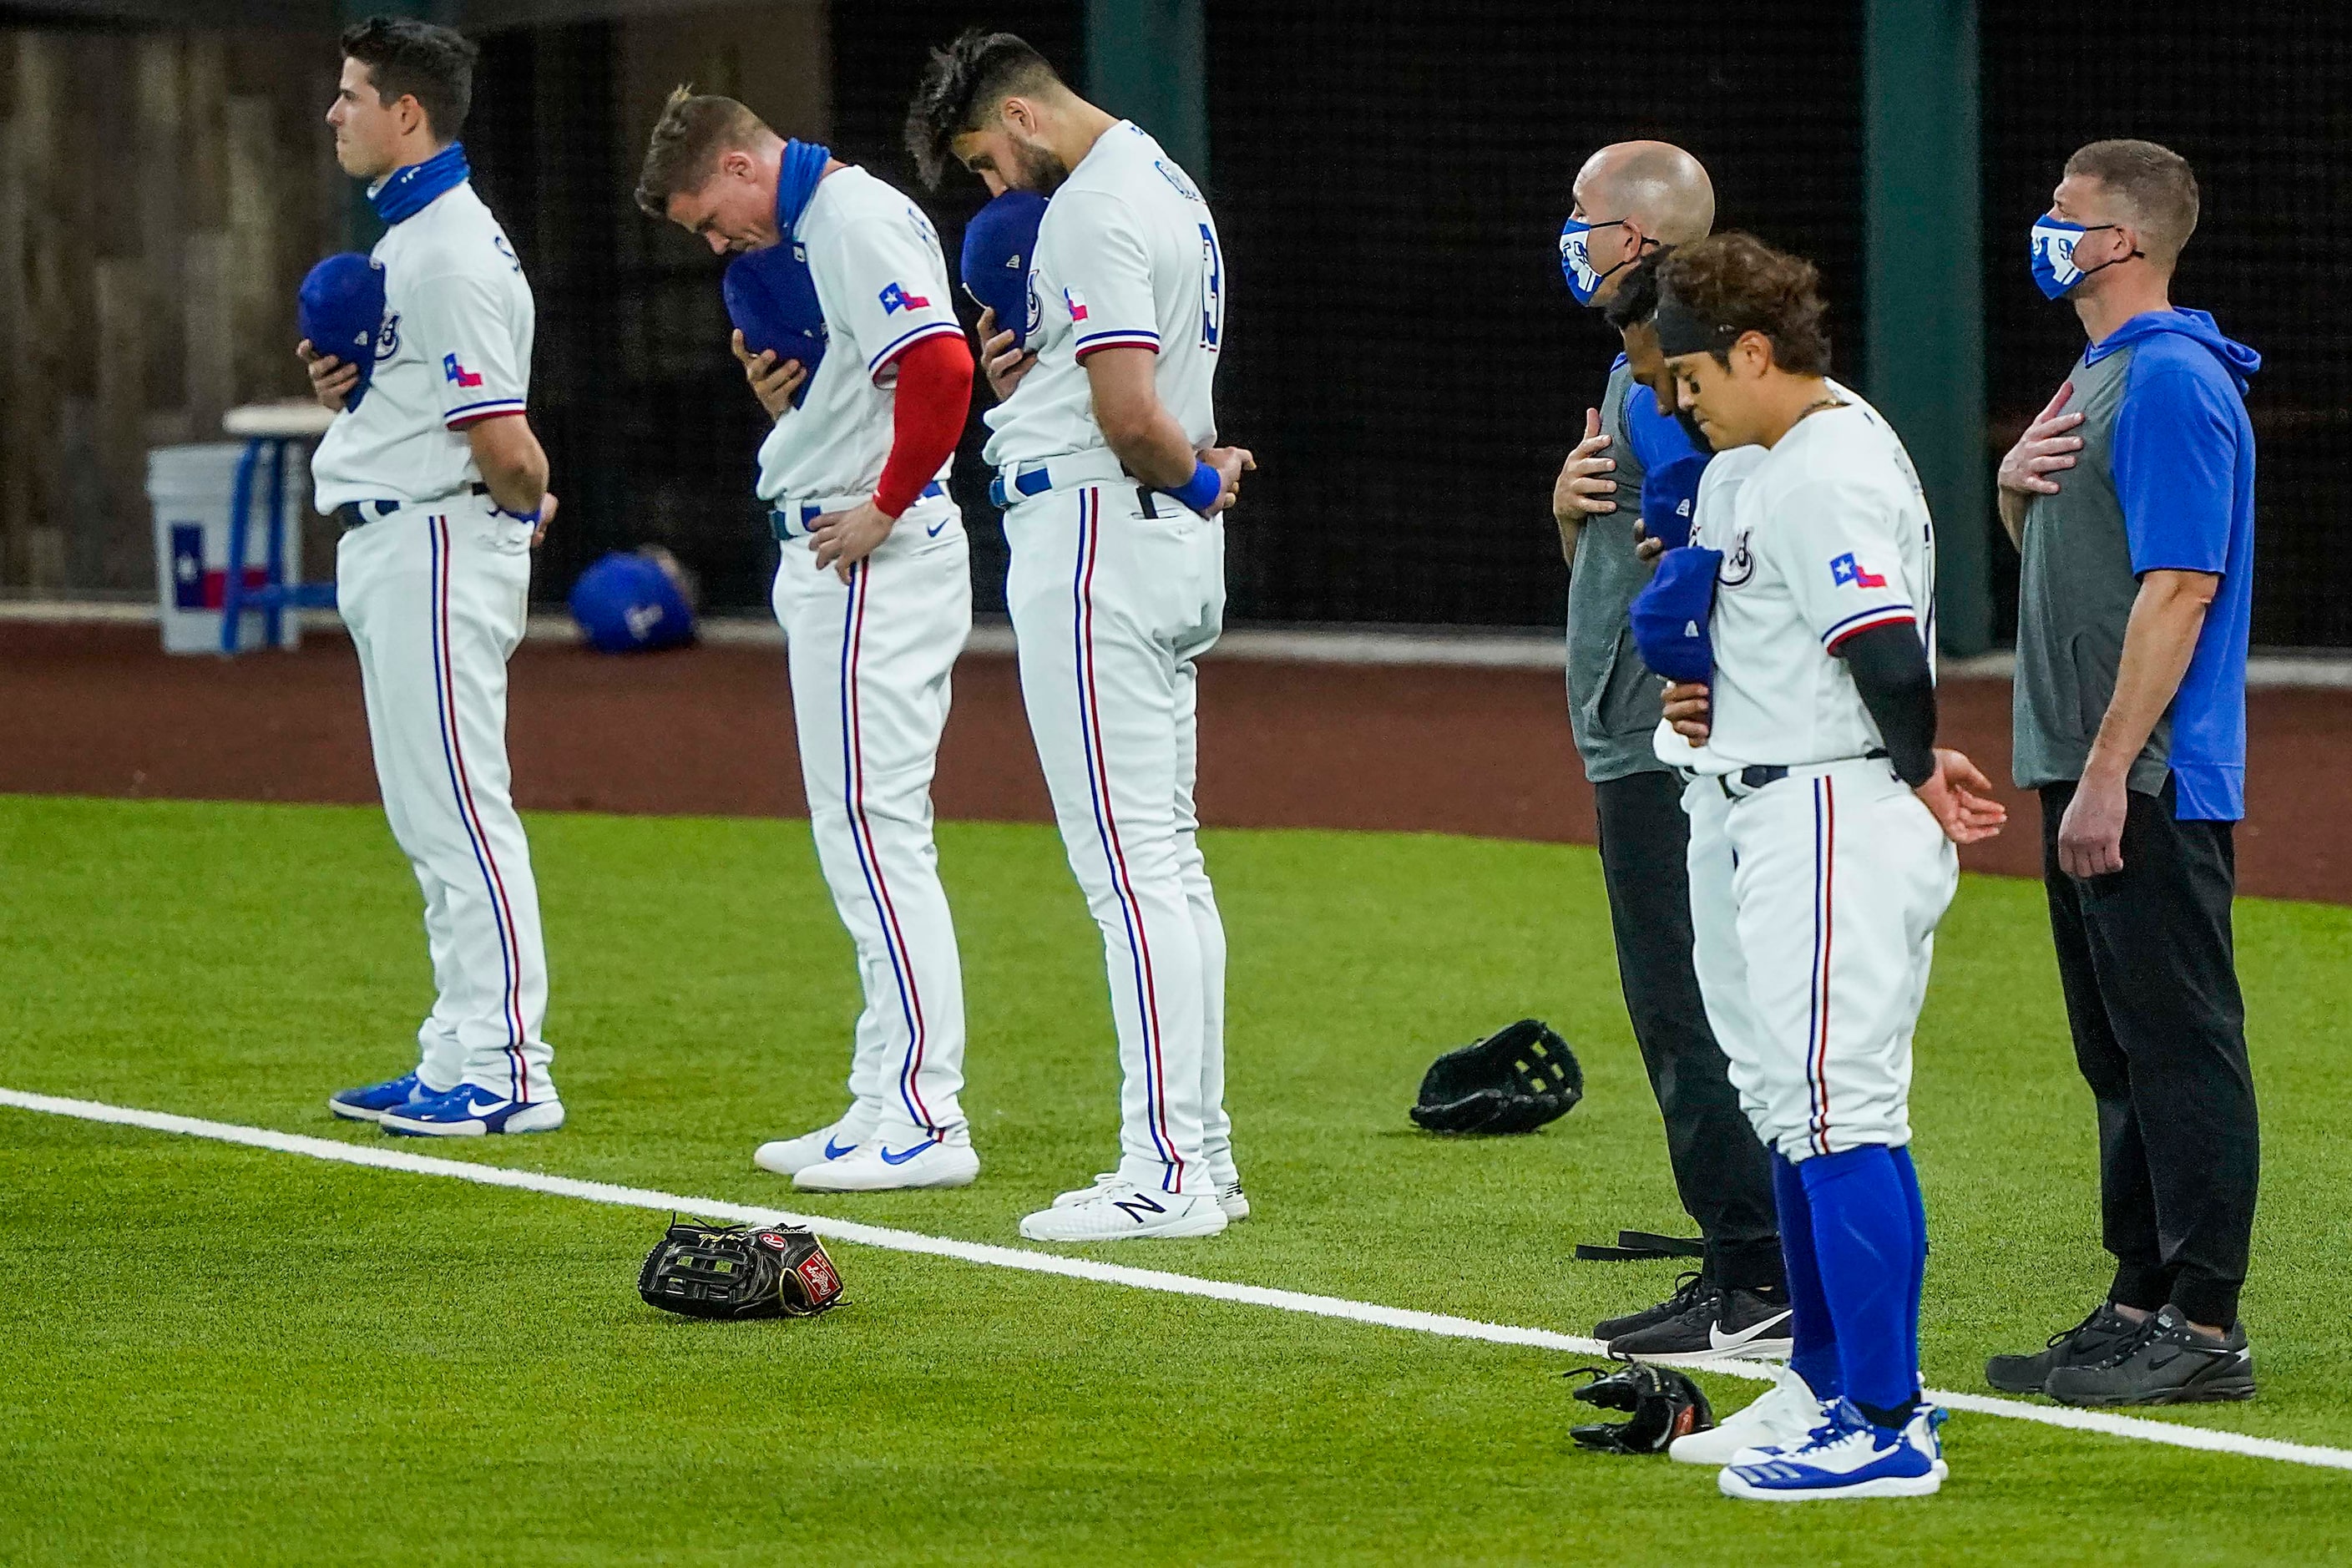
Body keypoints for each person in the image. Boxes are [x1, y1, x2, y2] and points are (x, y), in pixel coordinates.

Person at [1650, 233, 2006, 1500]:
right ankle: (1819, 1381)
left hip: (1828, 808)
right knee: (1795, 1111)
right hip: (1773, 798)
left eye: (1689, 373)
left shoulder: (1825, 468)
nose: (1676, 398)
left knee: (1838, 1110)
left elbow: (1882, 647)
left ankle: (1886, 1419)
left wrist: (1914, 767)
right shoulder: (1776, 457)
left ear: (1752, 352)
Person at [906, 29, 1253, 1241]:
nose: (995, 192)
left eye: (987, 164)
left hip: (1105, 534)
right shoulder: (1164, 177)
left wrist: (1200, 479)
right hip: (1148, 538)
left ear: (1023, 117)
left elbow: (1125, 415)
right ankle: (1199, 1156)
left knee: (1130, 874)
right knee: (1171, 862)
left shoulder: (1090, 208)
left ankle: (1161, 1171)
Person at [633, 89, 982, 1192]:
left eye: (706, 216)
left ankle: (926, 1117)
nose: (713, 240)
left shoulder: (848, 216)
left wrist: (885, 495)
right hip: (845, 542)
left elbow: (941, 369)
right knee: (858, 837)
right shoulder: (824, 226)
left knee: (877, 835)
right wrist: (800, 404)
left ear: (739, 165)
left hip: (868, 550)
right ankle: (881, 1098)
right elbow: (877, 374)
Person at [1986, 139, 2261, 1406]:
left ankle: (2203, 1327)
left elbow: (2180, 586)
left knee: (2176, 1043)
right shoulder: (2098, 376)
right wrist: (2007, 491)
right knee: (2119, 1052)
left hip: (2141, 776)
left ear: (2126, 243)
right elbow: (2076, 558)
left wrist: (2107, 774)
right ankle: (2135, 1295)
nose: (2045, 228)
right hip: (2089, 763)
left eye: (2065, 214)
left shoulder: (2164, 381)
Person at [305, 18, 564, 1137]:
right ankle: (455, 1050)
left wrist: (525, 501)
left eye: (354, 94)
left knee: (460, 810)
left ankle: (508, 1068)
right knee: (431, 816)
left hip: (435, 542)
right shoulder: (415, 236)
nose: (335, 111)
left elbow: (503, 444)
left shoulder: (447, 247)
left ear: (408, 113)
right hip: (408, 536)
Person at [1554, 143, 1787, 1359]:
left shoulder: (1662, 382)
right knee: (1694, 1010)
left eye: (1585, 221)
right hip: (1645, 730)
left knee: (1689, 1014)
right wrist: (1563, 514)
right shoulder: (1638, 373)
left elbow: (1708, 564)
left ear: (1638, 242)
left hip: (1666, 747)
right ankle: (1749, 1255)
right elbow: (1620, 576)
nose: (1571, 238)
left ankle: (1753, 1272)